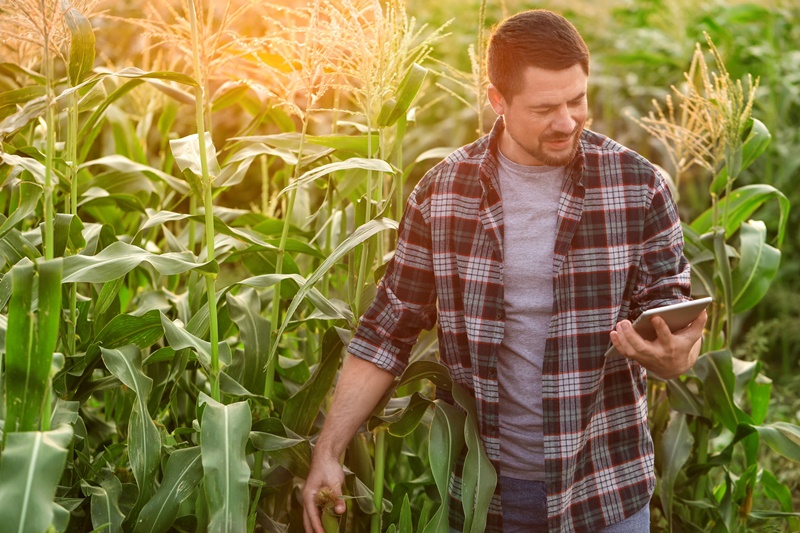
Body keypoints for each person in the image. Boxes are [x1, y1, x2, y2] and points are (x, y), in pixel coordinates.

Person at [302, 9, 706, 533]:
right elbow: (387, 330)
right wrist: (328, 449)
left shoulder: (639, 186)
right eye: (544, 108)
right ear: (497, 100)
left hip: (604, 488)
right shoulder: (443, 194)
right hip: (484, 495)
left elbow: (673, 319)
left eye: (577, 100)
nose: (567, 121)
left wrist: (676, 358)